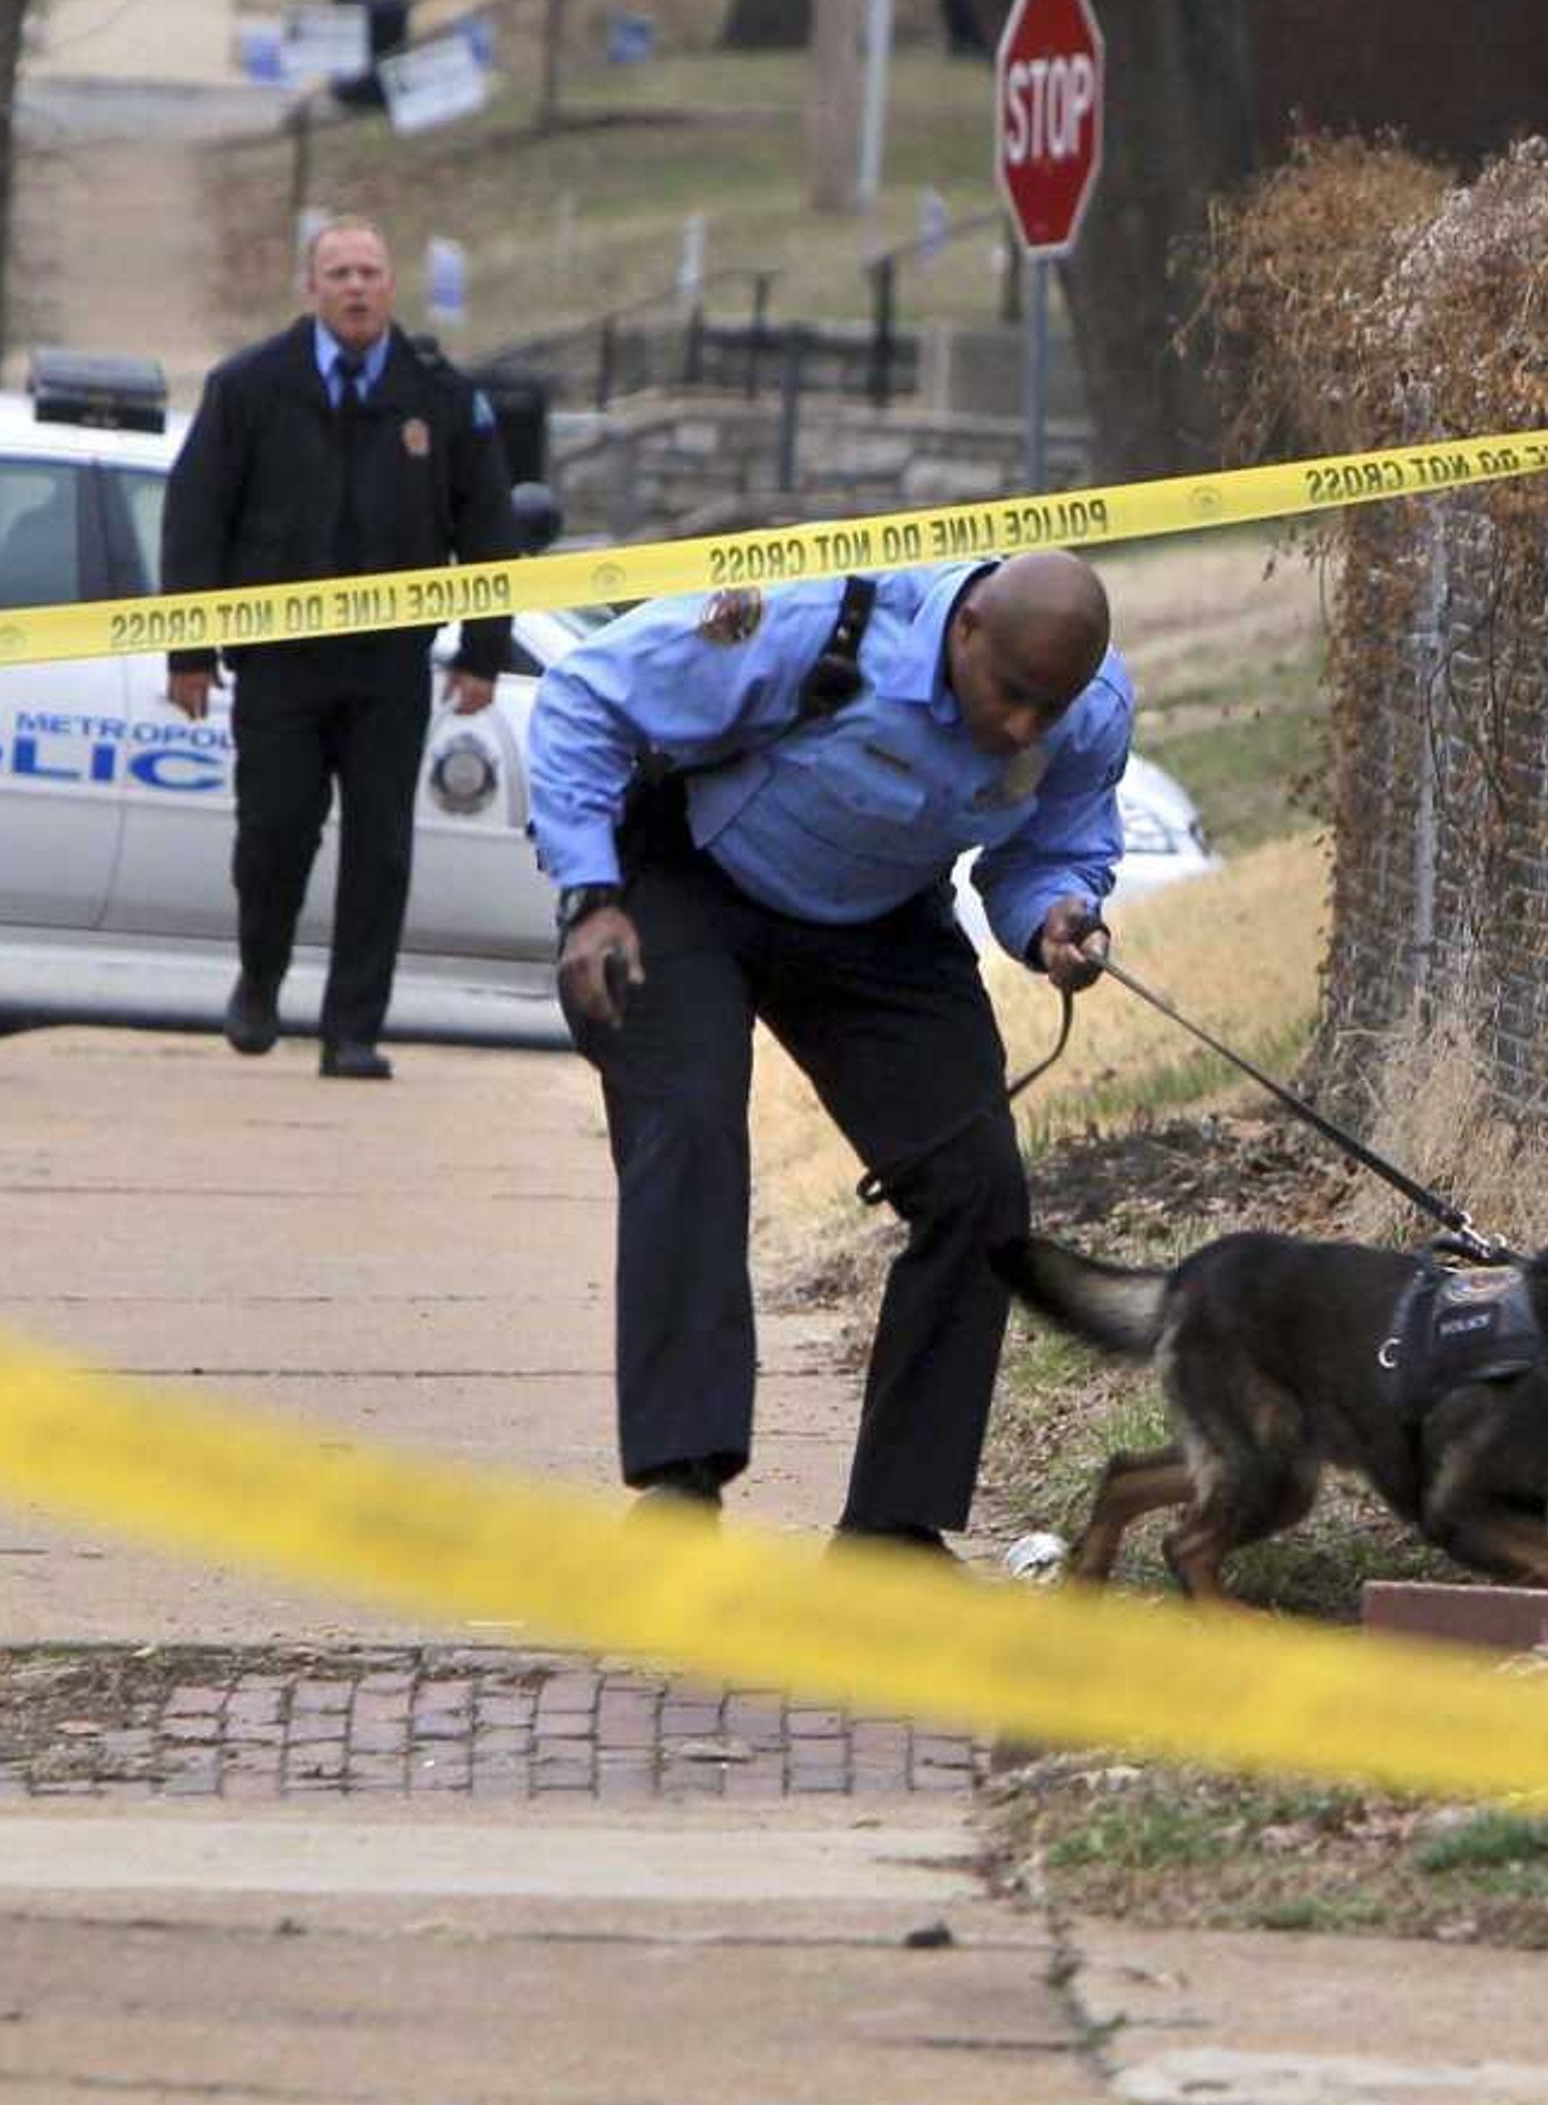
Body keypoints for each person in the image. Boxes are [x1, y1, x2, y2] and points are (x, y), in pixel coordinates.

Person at [524, 552, 1131, 1554]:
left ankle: (893, 1529)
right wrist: (590, 892)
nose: (1026, 726)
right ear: (966, 628)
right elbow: (585, 694)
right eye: (1012, 694)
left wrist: (1057, 920)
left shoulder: (1091, 711)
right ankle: (681, 1485)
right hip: (691, 879)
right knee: (692, 1126)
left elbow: (1046, 853)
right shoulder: (818, 620)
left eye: (1049, 706)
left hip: (882, 919)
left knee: (979, 1187)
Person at [161, 215, 518, 1080]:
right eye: (339, 273)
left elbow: (490, 522)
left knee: (381, 848)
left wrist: (483, 651)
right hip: (280, 661)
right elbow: (196, 517)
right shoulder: (250, 387)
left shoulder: (439, 395)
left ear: (391, 286)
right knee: (274, 836)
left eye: (369, 272)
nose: (356, 287)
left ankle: (353, 1027)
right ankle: (259, 979)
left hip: (390, 665)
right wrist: (190, 650)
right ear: (310, 289)